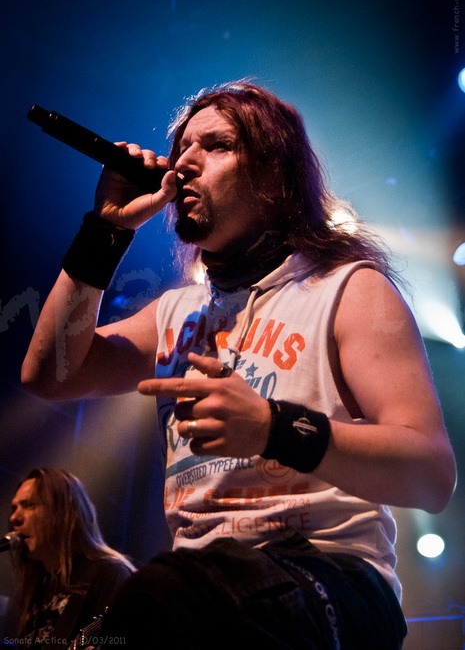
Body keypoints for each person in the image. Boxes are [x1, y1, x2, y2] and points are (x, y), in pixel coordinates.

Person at [21, 81, 456, 648]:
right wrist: (105, 230)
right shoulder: (175, 312)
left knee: (161, 599)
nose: (184, 164)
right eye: (182, 149)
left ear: (274, 175)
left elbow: (431, 475)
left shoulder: (348, 289)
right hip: (204, 582)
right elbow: (50, 374)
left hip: (336, 580)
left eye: (217, 145)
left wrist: (274, 427)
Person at [6, 468, 135, 649]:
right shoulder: (37, 583)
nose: (14, 517)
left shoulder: (109, 574)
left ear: (62, 512)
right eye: (14, 507)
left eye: (29, 505)